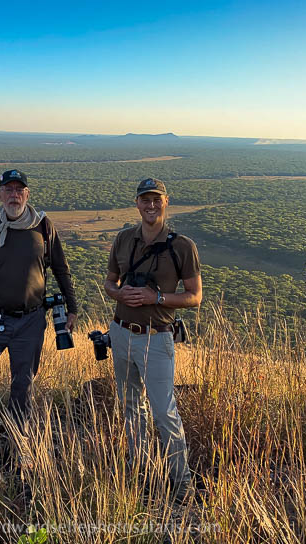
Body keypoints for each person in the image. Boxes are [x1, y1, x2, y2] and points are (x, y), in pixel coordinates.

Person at [102, 178, 202, 497]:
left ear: (166, 202)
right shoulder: (123, 239)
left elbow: (194, 296)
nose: (151, 205)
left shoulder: (182, 246)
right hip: (120, 332)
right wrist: (122, 294)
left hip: (156, 338)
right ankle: (141, 470)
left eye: (156, 200)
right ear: (137, 204)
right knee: (131, 406)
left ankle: (181, 482)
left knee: (163, 412)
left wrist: (154, 298)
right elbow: (109, 284)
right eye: (145, 200)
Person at [0, 169, 79, 440]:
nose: (14, 195)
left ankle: (18, 443)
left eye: (19, 190)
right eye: (9, 190)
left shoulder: (43, 226)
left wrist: (72, 308)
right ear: (0, 194)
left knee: (22, 387)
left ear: (27, 194)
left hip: (31, 320)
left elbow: (61, 268)